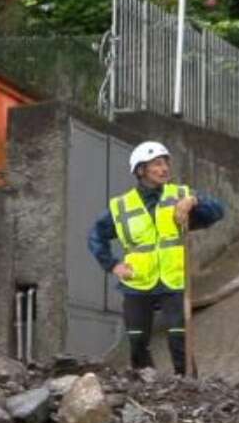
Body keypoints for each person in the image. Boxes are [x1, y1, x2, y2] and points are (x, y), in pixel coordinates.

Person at [87, 140, 225, 375]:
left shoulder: (180, 195)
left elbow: (218, 211)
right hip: (137, 283)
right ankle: (147, 384)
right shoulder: (121, 206)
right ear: (141, 170)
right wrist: (112, 265)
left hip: (173, 281)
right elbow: (95, 236)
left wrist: (194, 201)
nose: (164, 169)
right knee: (137, 339)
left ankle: (187, 386)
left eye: (166, 164)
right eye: (157, 164)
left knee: (178, 337)